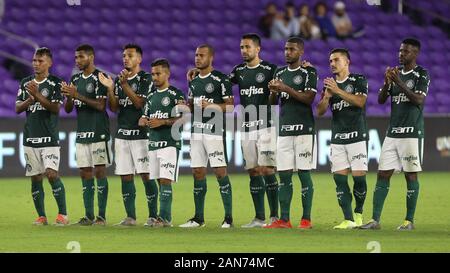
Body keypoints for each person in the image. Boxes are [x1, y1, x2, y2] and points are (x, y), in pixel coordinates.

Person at [360, 38, 430, 230]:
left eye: (406, 51)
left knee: (411, 176)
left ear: (415, 54)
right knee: (382, 174)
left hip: (411, 133)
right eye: (400, 51)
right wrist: (387, 81)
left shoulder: (421, 74)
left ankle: (409, 221)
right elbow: (381, 100)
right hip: (392, 133)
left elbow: (418, 100)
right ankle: (375, 220)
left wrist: (398, 81)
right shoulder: (395, 74)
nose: (401, 54)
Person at [98, 44, 157, 227]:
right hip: (122, 135)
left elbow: (140, 103)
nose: (125, 58)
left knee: (146, 175)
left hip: (142, 135)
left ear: (139, 59)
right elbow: (114, 108)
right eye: (124, 55)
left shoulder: (146, 79)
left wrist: (123, 85)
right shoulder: (119, 79)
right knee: (125, 176)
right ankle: (130, 217)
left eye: (130, 55)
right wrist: (110, 89)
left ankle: (153, 216)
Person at [179, 44, 234, 228]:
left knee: (219, 172)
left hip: (214, 131)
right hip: (196, 131)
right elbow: (192, 106)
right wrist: (184, 105)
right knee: (197, 172)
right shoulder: (193, 81)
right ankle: (198, 218)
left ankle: (228, 218)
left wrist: (209, 106)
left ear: (211, 58)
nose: (197, 58)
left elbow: (230, 106)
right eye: (196, 55)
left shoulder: (220, 79)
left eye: (202, 55)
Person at [265, 37, 318, 229]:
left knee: (304, 174)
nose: (287, 52)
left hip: (304, 130)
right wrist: (272, 91)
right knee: (284, 176)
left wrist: (285, 88)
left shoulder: (309, 72)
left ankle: (306, 219)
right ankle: (284, 220)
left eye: (292, 49)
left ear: (301, 51)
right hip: (284, 130)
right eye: (286, 49)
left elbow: (309, 98)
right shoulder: (279, 72)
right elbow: (272, 104)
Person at [228, 33, 279, 228]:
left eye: (247, 47)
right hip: (247, 127)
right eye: (241, 47)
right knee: (253, 171)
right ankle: (259, 218)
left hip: (266, 126)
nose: (244, 51)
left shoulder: (270, 70)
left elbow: (285, 83)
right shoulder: (238, 70)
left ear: (257, 49)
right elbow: (221, 84)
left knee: (267, 169)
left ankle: (274, 217)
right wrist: (197, 74)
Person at [15, 47, 69, 226]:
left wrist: (37, 95)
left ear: (49, 63)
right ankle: (41, 216)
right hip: (30, 138)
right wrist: (30, 99)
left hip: (49, 138)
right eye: (34, 61)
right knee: (36, 177)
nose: (36, 64)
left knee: (51, 174)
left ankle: (63, 214)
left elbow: (55, 108)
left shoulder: (55, 83)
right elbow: (17, 109)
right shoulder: (25, 82)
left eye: (40, 61)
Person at [317, 48, 369, 229]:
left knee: (359, 178)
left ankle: (359, 213)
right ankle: (348, 219)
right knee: (339, 180)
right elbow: (320, 111)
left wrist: (337, 91)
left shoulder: (358, 80)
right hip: (338, 138)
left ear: (347, 62)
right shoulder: (329, 85)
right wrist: (327, 97)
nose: (332, 63)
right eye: (330, 61)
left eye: (336, 60)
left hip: (356, 136)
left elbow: (360, 102)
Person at [61, 44, 111, 226]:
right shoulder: (75, 79)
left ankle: (102, 217)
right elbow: (67, 110)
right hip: (82, 133)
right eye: (76, 57)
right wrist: (68, 96)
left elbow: (100, 106)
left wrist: (77, 95)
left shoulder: (100, 78)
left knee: (99, 171)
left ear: (91, 57)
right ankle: (89, 216)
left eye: (81, 57)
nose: (77, 60)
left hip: (99, 131)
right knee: (85, 173)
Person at [138, 58, 186, 227]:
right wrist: (143, 121)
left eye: (158, 74)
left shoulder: (176, 94)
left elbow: (184, 118)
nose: (155, 77)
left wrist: (163, 122)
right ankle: (166, 218)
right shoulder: (150, 96)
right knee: (159, 180)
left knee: (166, 180)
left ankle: (163, 218)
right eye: (153, 74)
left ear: (167, 74)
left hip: (170, 143)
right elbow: (144, 116)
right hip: (153, 143)